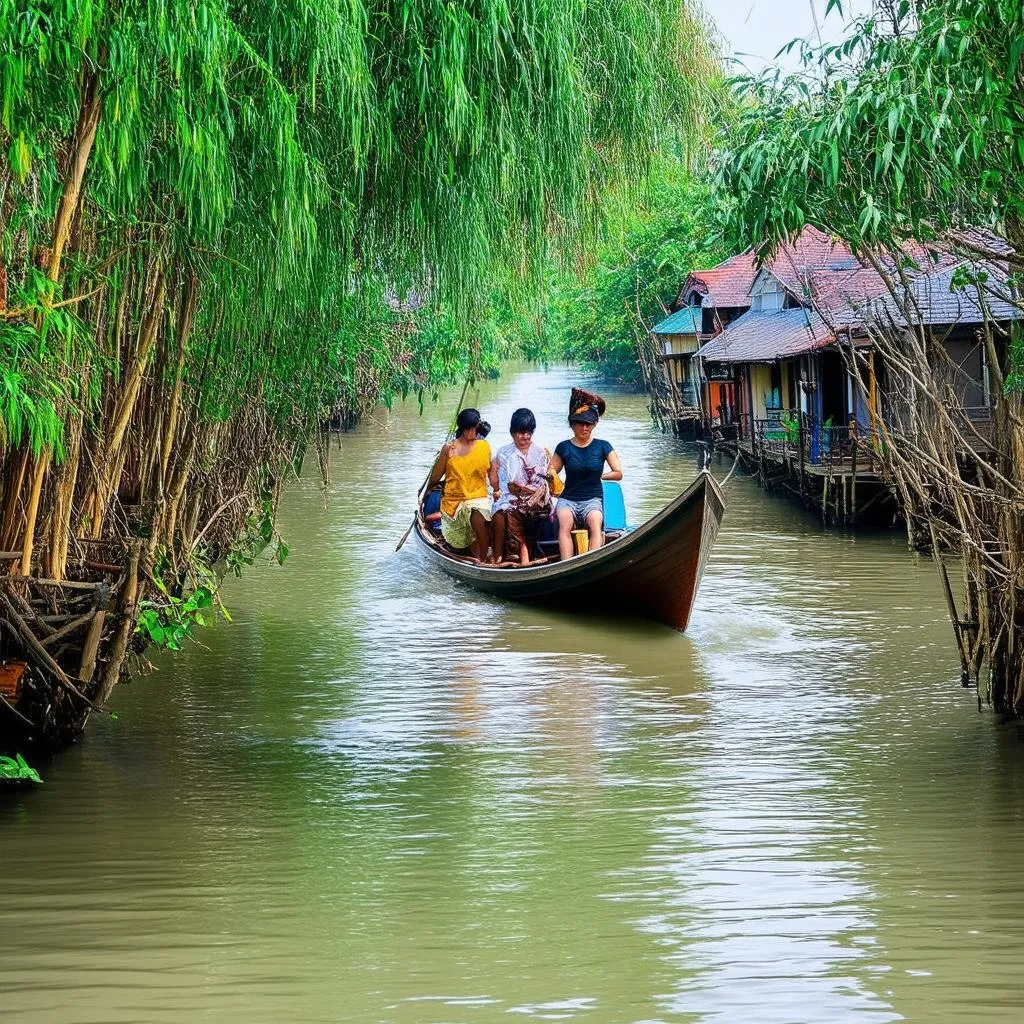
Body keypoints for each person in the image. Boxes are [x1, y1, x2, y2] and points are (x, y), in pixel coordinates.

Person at [546, 387, 622, 560]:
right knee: (564, 522)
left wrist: (601, 476)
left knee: (595, 522)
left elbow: (618, 473)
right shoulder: (564, 447)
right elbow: (551, 471)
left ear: (594, 425)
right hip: (568, 499)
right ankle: (566, 564)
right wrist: (551, 475)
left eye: (588, 424)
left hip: (593, 499)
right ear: (572, 425)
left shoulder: (603, 446)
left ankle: (590, 561)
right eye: (580, 423)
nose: (584, 427)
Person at [489, 407, 555, 565]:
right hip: (511, 496)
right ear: (513, 433)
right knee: (502, 511)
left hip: (536, 496)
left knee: (538, 508)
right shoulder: (504, 453)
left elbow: (544, 479)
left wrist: (530, 492)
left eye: (529, 433)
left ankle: (527, 554)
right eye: (521, 433)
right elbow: (500, 480)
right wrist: (501, 491)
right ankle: (500, 555)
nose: (525, 437)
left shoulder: (540, 451)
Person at [428, 408, 494, 561]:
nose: (471, 432)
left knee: (477, 512)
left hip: (478, 500)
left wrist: (497, 490)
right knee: (471, 517)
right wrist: (429, 488)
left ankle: (482, 559)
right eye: (468, 429)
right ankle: (476, 554)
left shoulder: (484, 447)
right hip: (454, 504)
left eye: (474, 428)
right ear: (463, 429)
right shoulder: (449, 449)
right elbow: (436, 477)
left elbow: (491, 475)